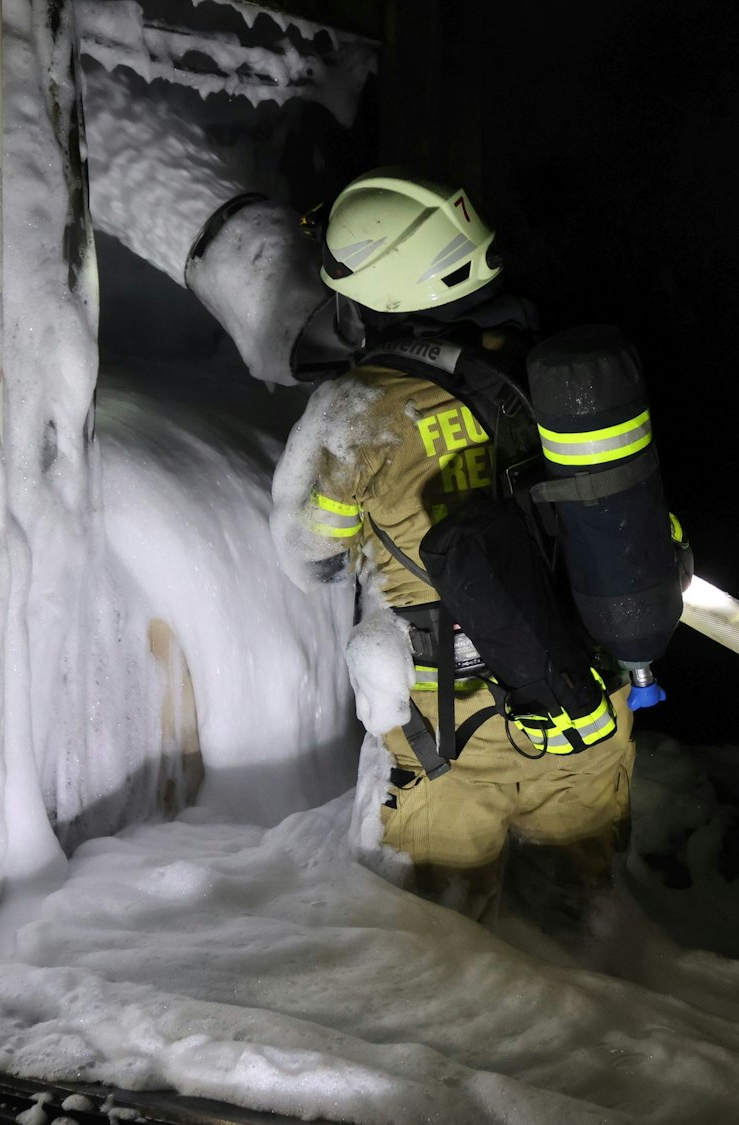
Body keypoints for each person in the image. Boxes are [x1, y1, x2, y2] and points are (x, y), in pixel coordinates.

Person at [272, 168, 677, 928]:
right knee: (581, 939)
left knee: (442, 966)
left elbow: (310, 558)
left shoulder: (357, 409)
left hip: (451, 738)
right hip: (585, 709)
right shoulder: (552, 374)